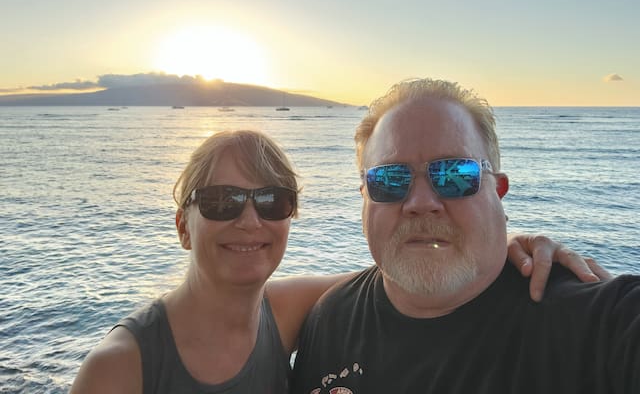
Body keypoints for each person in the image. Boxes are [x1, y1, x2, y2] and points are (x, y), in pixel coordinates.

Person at [70, 129, 607, 394]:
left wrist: (507, 245)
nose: (250, 221)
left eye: (272, 201)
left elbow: (410, 274)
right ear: (183, 226)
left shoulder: (287, 310)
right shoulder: (121, 367)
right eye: (221, 201)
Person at [291, 78, 639, 394]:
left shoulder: (597, 323)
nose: (421, 203)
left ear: (498, 191)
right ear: (364, 196)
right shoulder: (331, 319)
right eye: (390, 179)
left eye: (454, 175)